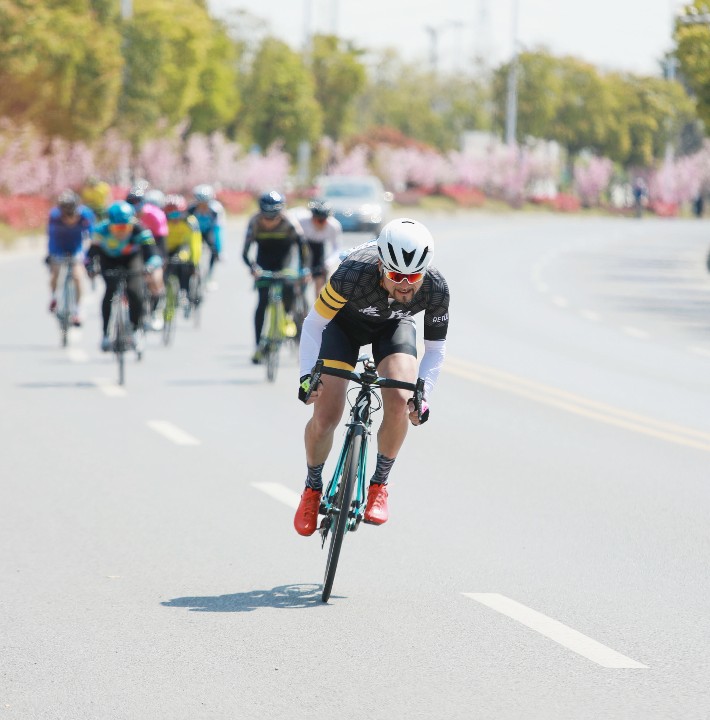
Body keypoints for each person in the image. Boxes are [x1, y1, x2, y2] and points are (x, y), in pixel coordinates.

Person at [293, 218, 449, 536]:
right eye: (396, 276)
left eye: (413, 277)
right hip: (343, 326)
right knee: (326, 415)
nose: (405, 285)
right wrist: (307, 377)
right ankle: (312, 488)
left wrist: (423, 395)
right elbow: (313, 324)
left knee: (402, 399)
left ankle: (379, 485)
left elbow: (435, 348)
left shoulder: (435, 287)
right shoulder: (352, 274)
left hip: (394, 327)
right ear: (380, 266)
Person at [242, 190, 310, 364]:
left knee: (289, 289)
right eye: (266, 216)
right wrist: (253, 268)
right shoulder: (255, 222)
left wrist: (304, 269)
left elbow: (303, 247)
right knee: (262, 302)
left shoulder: (289, 222)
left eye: (274, 217)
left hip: (285, 264)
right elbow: (245, 252)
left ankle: (287, 317)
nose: (270, 221)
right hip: (263, 264)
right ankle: (258, 346)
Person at [87, 201, 163, 352]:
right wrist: (90, 266)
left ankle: (135, 330)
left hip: (131, 259)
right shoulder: (100, 230)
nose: (121, 233)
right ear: (110, 225)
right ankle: (105, 334)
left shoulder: (140, 229)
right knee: (110, 291)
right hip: (109, 260)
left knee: (135, 292)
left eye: (125, 228)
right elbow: (90, 255)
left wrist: (150, 265)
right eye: (117, 228)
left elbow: (153, 254)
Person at [46, 190, 94, 325]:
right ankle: (54, 297)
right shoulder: (54, 216)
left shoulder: (85, 215)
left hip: (76, 247)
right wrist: (51, 255)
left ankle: (78, 309)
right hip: (58, 246)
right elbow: (51, 237)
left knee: (78, 276)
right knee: (55, 272)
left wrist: (87, 256)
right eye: (65, 215)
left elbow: (91, 236)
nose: (68, 219)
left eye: (71, 215)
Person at [126, 183, 168, 329]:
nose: (135, 206)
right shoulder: (124, 215)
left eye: (137, 202)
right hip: (132, 250)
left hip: (153, 248)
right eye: (131, 203)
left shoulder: (155, 215)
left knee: (155, 278)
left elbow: (161, 243)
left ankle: (156, 310)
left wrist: (158, 262)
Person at [297, 200, 343, 296]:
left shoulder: (334, 226)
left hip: (319, 248)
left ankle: (317, 302)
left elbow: (336, 248)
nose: (319, 223)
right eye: (316, 220)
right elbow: (295, 244)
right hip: (305, 246)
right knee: (300, 282)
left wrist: (328, 263)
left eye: (323, 220)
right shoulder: (302, 221)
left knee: (320, 283)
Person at [163, 194, 202, 302]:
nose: (174, 217)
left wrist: (194, 262)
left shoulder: (190, 222)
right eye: (170, 214)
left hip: (182, 248)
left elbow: (195, 243)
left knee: (183, 263)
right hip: (166, 248)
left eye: (177, 214)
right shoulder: (162, 221)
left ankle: (184, 292)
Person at [189, 184, 225, 290]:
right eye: (200, 203)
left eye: (205, 203)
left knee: (214, 250)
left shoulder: (216, 210)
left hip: (209, 231)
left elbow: (218, 229)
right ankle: (193, 270)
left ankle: (209, 276)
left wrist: (219, 249)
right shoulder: (191, 209)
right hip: (195, 232)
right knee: (191, 250)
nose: (203, 206)